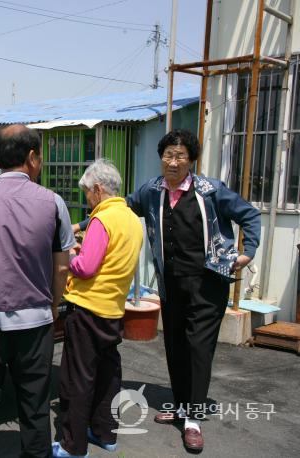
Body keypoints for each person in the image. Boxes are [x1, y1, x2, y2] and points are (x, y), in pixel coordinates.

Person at [75, 130, 261, 452]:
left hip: (207, 284)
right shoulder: (151, 191)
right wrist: (79, 226)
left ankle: (193, 419)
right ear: (161, 157)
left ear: (191, 160)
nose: (173, 162)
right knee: (174, 345)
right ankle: (180, 405)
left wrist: (248, 252)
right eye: (168, 155)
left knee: (198, 349)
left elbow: (249, 214)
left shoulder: (210, 190)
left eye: (180, 156)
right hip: (171, 284)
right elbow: (118, 206)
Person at [0, 124, 73, 458]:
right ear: (32, 157)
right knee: (34, 405)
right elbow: (62, 266)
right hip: (34, 321)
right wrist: (53, 304)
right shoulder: (53, 203)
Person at [52, 159, 143, 458]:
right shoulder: (131, 219)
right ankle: (105, 433)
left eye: (87, 193)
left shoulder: (103, 220)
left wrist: (69, 256)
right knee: (107, 376)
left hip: (88, 309)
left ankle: (72, 445)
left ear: (99, 189)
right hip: (113, 309)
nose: (86, 199)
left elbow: (87, 267)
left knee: (78, 379)